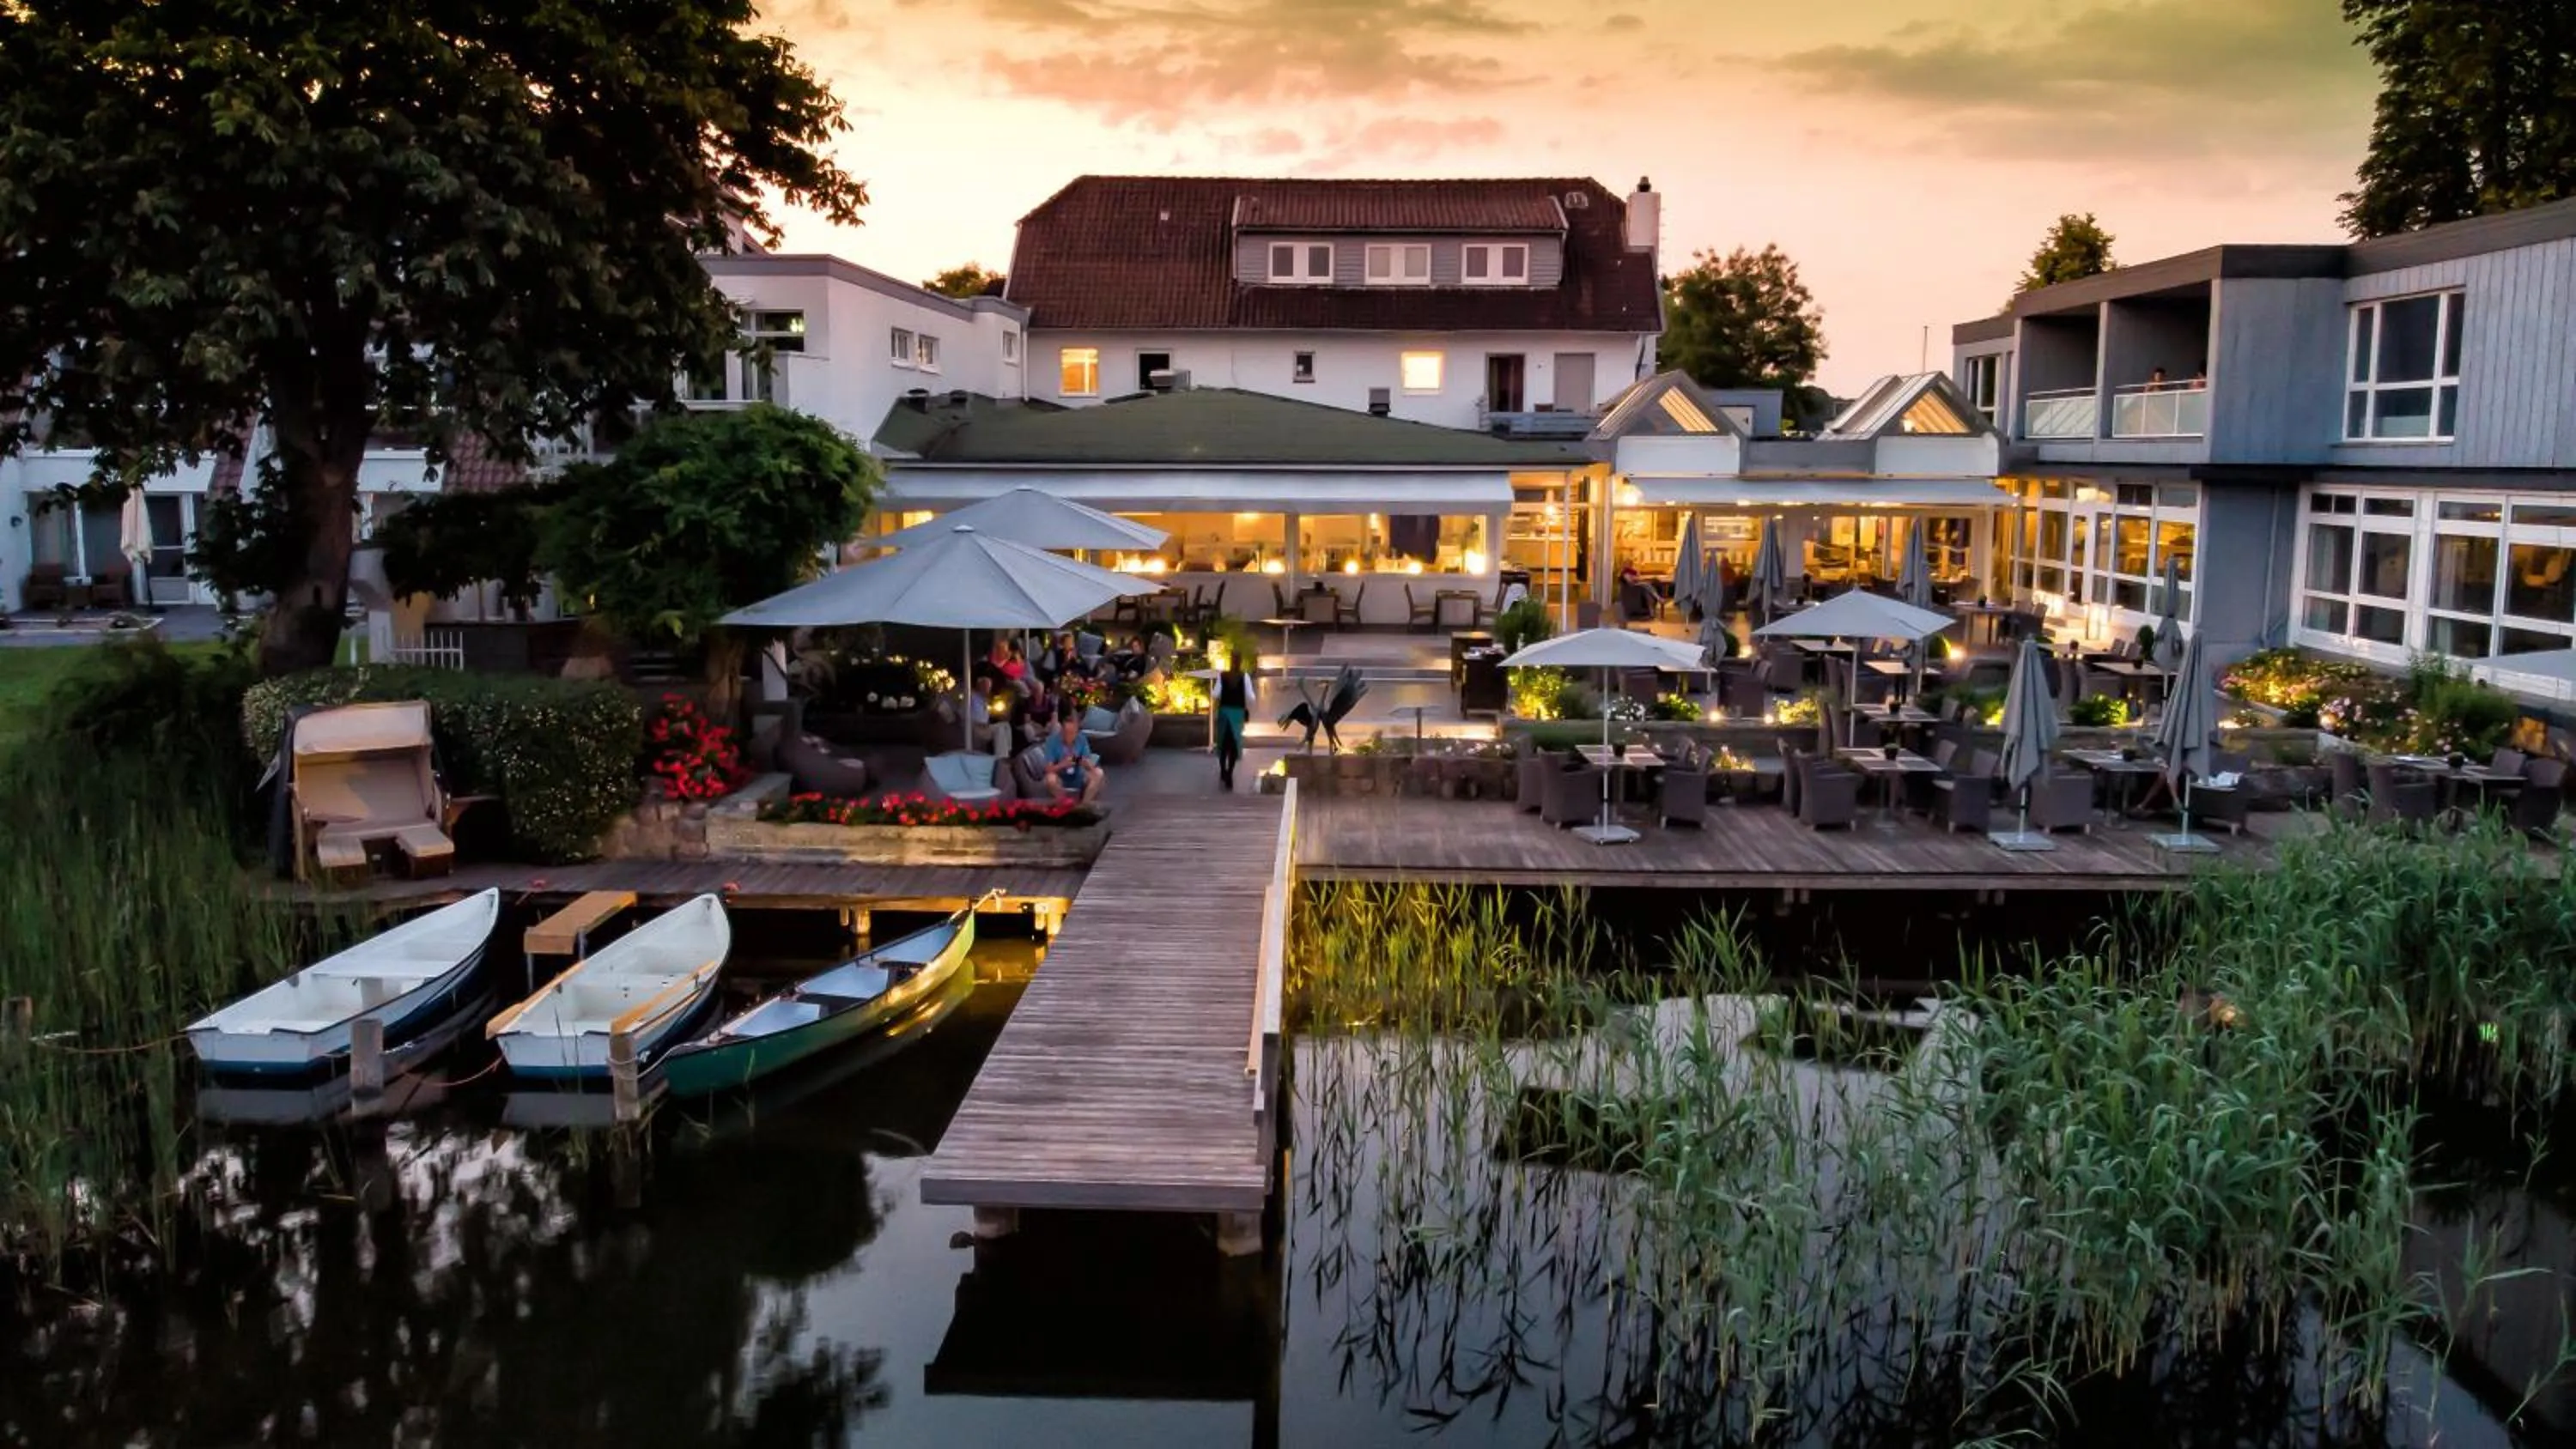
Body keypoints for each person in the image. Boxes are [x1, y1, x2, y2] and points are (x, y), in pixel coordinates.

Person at [1039, 710, 1104, 804]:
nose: (1071, 736)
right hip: (1060, 776)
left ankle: (1084, 805)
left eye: (1073, 733)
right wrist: (1062, 764)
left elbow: (1089, 763)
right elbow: (1048, 769)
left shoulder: (1081, 739)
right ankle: (1065, 803)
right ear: (1062, 730)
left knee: (1099, 773)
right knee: (1050, 779)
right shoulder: (1052, 741)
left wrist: (1084, 763)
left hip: (1079, 775)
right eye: (1067, 733)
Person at [1212, 658, 1258, 791]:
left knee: (1222, 743)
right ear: (1240, 663)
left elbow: (1215, 694)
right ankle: (1230, 775)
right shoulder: (1245, 677)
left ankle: (1223, 771)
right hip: (1237, 713)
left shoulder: (1222, 676)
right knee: (1234, 744)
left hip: (1224, 712)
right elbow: (1251, 697)